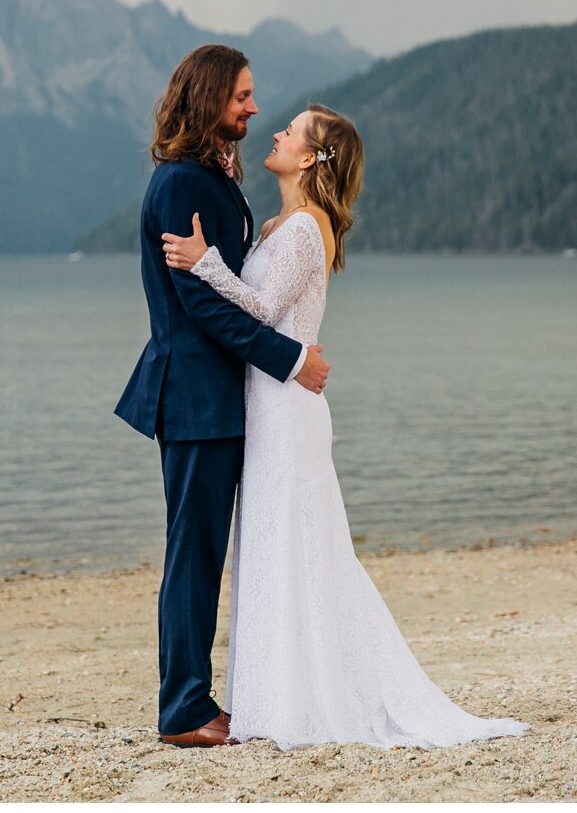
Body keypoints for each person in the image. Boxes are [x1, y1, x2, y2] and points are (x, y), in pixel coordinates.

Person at [160, 103, 530, 750]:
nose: (274, 131)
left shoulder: (307, 227)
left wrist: (205, 262)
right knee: (277, 543)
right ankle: (276, 696)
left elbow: (266, 307)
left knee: (298, 545)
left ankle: (306, 698)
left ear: (307, 157)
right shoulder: (281, 221)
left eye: (290, 131)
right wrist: (221, 169)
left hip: (286, 406)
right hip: (270, 401)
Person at [114, 45, 332, 748]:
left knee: (205, 552)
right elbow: (198, 304)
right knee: (193, 554)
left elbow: (232, 286)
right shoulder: (179, 184)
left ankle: (207, 697)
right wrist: (289, 359)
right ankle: (182, 708)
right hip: (195, 395)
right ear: (210, 97)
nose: (253, 107)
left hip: (220, 395)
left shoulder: (209, 174)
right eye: (242, 95)